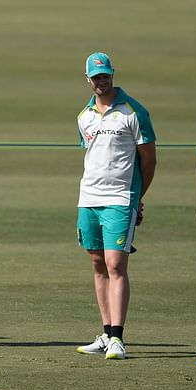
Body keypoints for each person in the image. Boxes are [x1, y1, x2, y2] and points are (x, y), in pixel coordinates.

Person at [74, 52, 156, 360]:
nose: (101, 80)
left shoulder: (133, 112)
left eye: (105, 75)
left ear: (113, 74)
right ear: (88, 80)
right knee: (97, 263)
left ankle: (118, 338)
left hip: (121, 198)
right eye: (95, 77)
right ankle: (106, 333)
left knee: (116, 265)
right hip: (89, 198)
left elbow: (149, 160)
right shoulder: (84, 116)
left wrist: (138, 198)